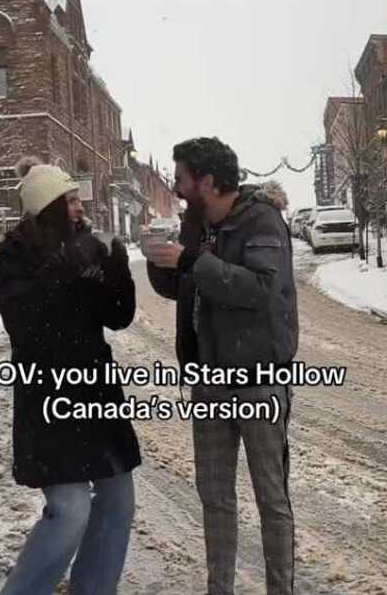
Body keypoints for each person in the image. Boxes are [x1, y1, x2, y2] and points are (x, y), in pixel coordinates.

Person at [143, 137, 297, 595]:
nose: (176, 186)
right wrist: (162, 266)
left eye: (182, 178)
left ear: (207, 181)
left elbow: (260, 290)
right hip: (209, 382)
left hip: (259, 382)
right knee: (215, 498)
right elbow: (189, 288)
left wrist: (191, 260)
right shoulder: (195, 225)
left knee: (271, 498)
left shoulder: (261, 220)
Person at [0, 157, 140, 594]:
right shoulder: (10, 255)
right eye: (70, 200)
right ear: (48, 205)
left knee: (118, 500)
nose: (79, 207)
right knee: (71, 509)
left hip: (97, 393)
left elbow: (118, 316)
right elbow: (24, 321)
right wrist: (62, 268)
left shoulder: (84, 243)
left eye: (77, 198)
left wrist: (117, 271)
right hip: (47, 399)